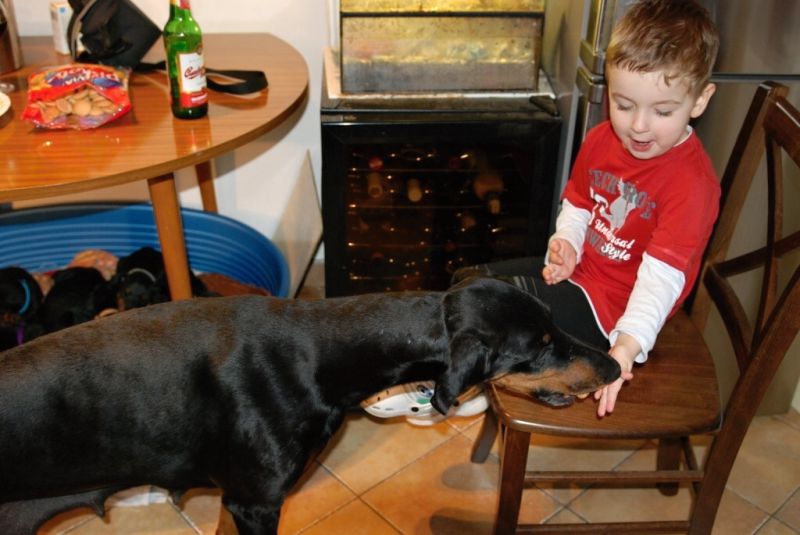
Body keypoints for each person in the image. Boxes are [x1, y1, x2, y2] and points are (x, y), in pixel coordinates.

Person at [363, 0, 721, 424]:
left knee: (487, 312)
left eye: (662, 111)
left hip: (614, 311)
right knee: (468, 280)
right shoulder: (603, 139)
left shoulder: (692, 185)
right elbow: (580, 203)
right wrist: (567, 240)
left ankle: (446, 386)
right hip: (582, 272)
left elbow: (661, 282)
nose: (639, 126)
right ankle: (475, 386)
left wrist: (626, 346)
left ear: (700, 100)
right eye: (624, 105)